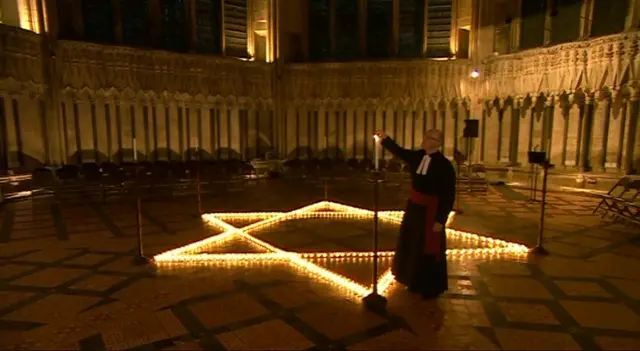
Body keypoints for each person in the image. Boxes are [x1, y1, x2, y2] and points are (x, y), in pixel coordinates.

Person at [377, 129, 456, 299]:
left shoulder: (445, 166)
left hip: (431, 212)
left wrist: (440, 220)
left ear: (437, 143)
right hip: (414, 209)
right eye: (425, 135)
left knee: (427, 249)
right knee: (412, 245)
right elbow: (399, 151)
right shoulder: (418, 156)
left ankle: (428, 287)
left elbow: (448, 195)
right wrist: (385, 140)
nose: (424, 139)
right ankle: (411, 279)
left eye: (429, 137)